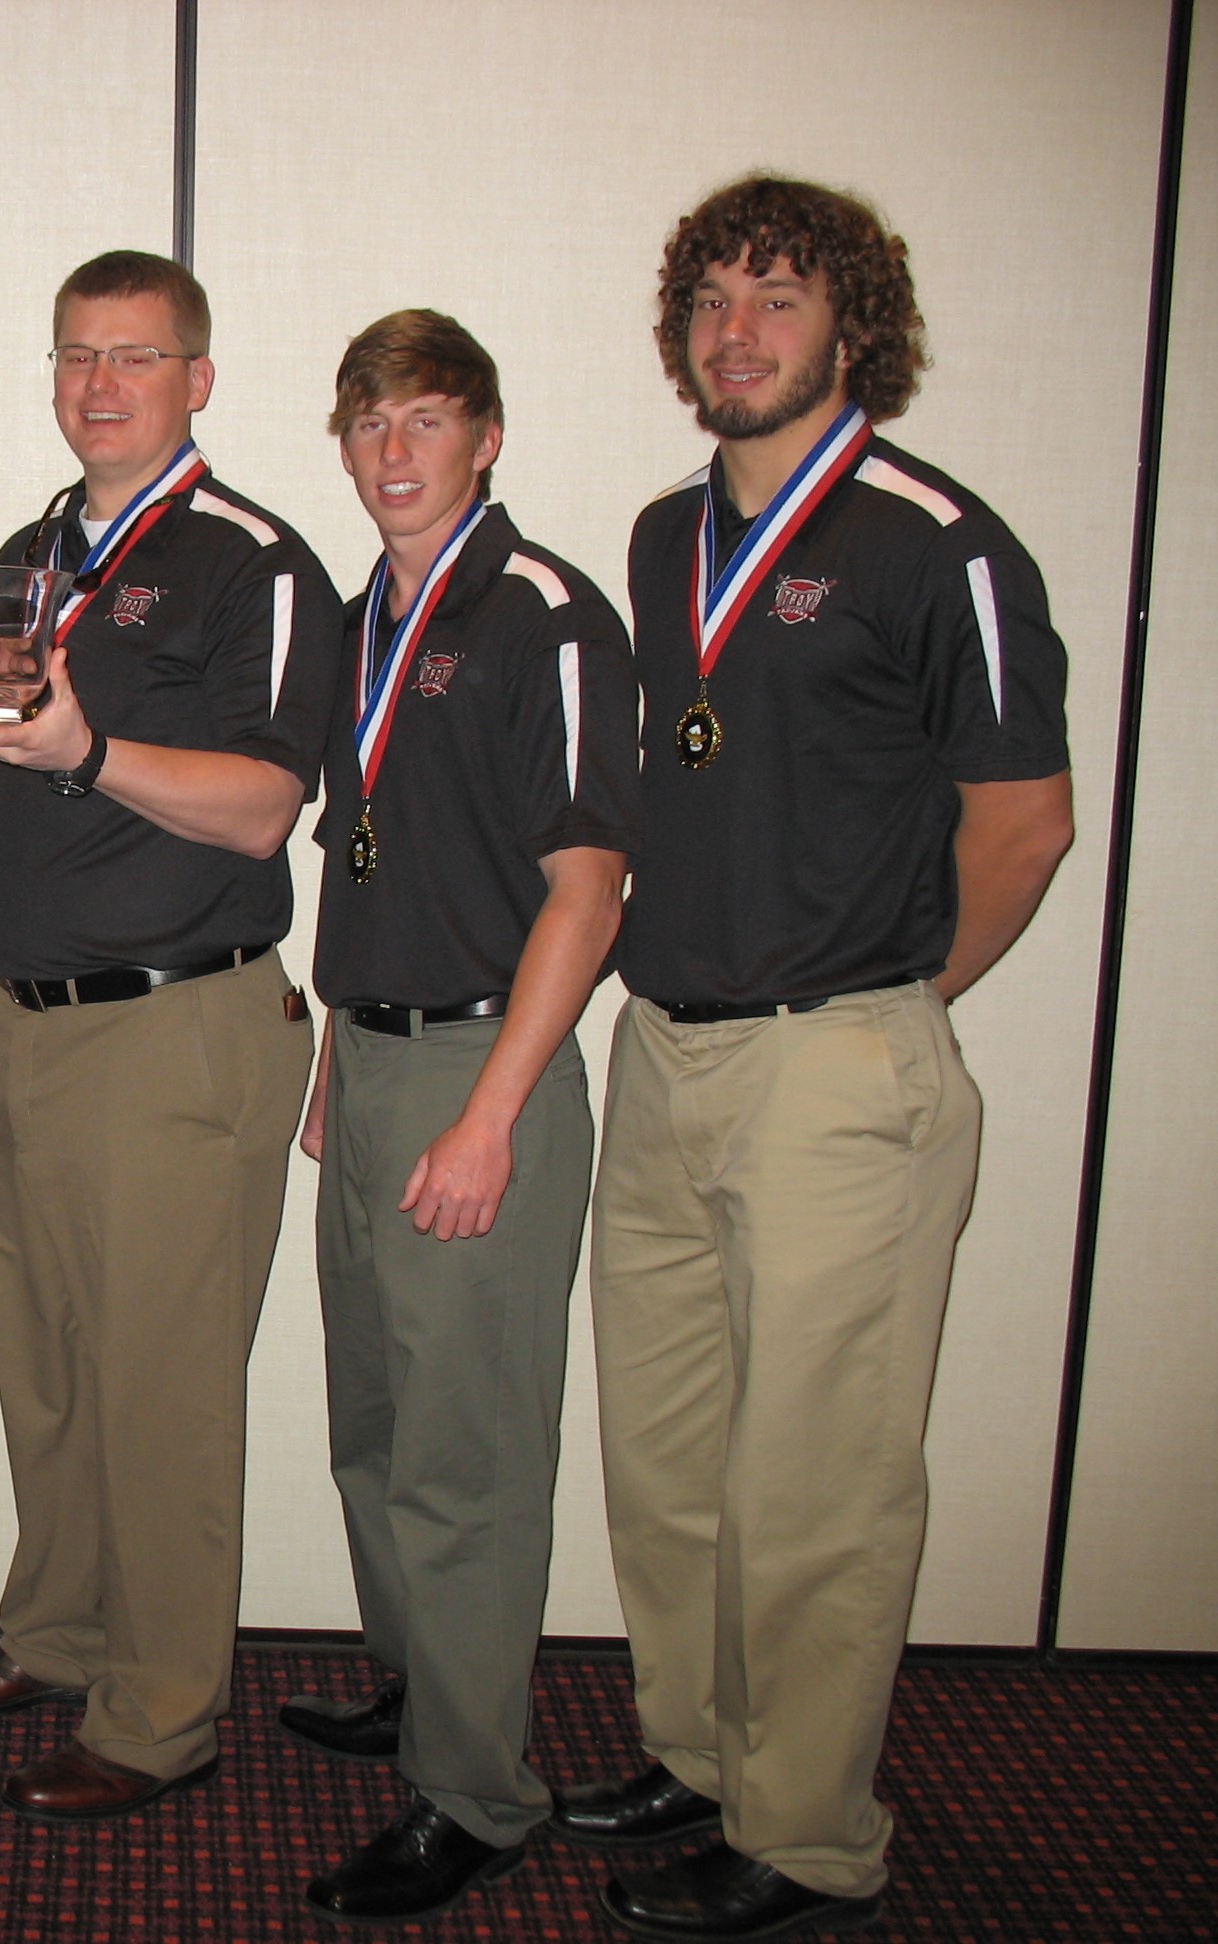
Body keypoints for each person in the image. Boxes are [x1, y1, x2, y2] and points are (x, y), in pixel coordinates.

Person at [555, 176, 1074, 1941]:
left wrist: (898, 1002)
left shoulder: (938, 540)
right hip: (666, 1057)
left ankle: (811, 1835)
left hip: (838, 1066)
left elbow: (1024, 823)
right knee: (673, 1459)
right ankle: (702, 1761)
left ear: (852, 324)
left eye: (777, 296)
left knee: (819, 1485)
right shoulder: (657, 533)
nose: (737, 329)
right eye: (709, 298)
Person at [0, 249, 342, 1822]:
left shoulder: (254, 566)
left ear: (196, 379)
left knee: (161, 1390)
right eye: (76, 355)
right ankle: (62, 1635)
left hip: (175, 1031)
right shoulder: (26, 557)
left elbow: (268, 803)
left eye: (134, 358)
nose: (98, 386)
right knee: (56, 1373)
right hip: (27, 1024)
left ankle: (159, 1717)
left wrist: (87, 755)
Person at [276, 311, 638, 1926]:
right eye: (369, 424)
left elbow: (588, 888)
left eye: (427, 419)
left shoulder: (546, 617)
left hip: (485, 1072)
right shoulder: (369, 621)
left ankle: (480, 1793)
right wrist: (338, 1066)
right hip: (373, 1063)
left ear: (486, 435)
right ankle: (427, 1692)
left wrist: (488, 1116)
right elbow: (376, 870)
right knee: (374, 1428)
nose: (396, 451)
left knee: (467, 1457)